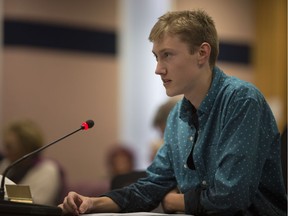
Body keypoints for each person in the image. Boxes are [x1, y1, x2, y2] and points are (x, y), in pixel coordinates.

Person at [59, 10, 287, 215]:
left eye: (167, 55)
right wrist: (91, 203)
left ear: (202, 53)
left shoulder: (241, 100)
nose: (158, 69)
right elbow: (152, 187)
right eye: (156, 57)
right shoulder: (177, 116)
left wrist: (175, 202)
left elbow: (231, 197)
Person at [0, 119, 66, 206]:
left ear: (26, 148)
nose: (5, 151)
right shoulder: (7, 164)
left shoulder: (48, 169)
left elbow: (35, 203)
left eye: (10, 147)